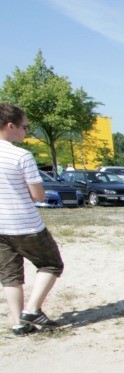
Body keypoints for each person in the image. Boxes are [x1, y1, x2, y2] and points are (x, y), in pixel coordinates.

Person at [0, 103, 65, 336]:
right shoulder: (21, 156)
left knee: (10, 276)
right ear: (11, 126)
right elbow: (38, 195)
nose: (26, 131)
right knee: (52, 264)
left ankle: (19, 323)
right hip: (25, 223)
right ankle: (32, 309)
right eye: (25, 127)